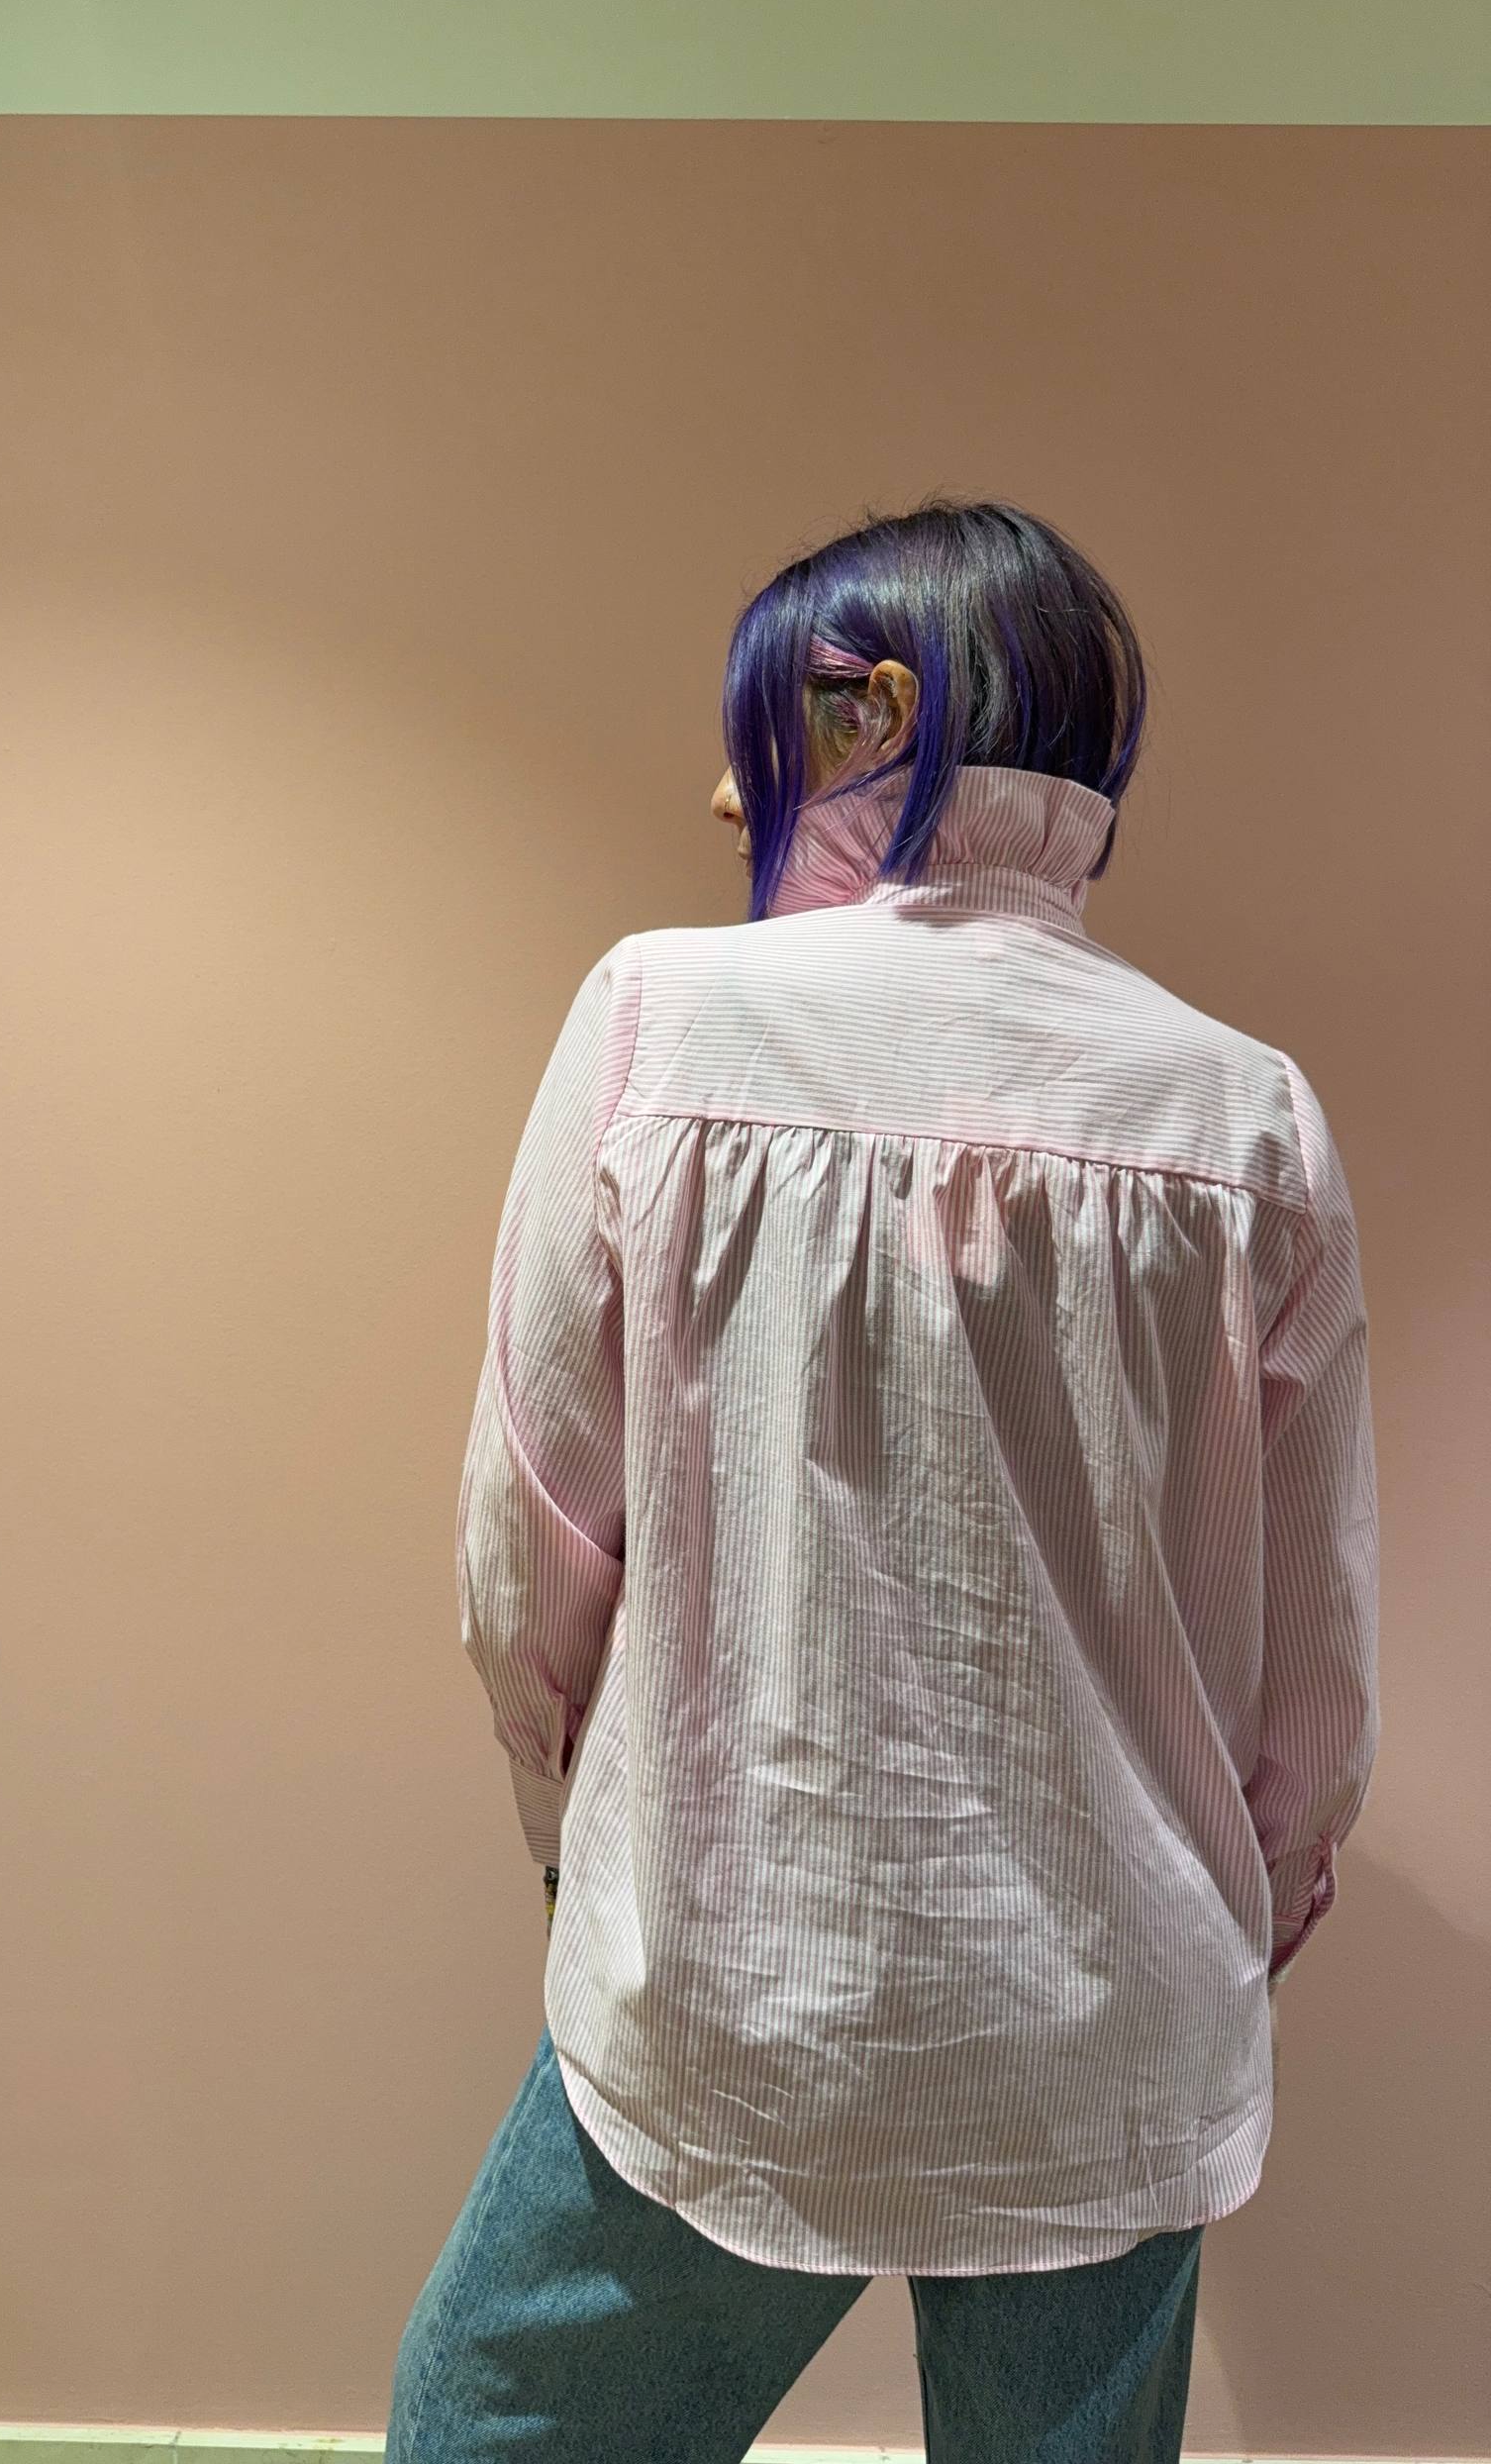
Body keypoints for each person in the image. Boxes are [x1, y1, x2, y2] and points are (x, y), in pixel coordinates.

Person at [388, 495, 1379, 2463]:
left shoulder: (661, 1020)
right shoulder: (1245, 1111)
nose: (724, 789)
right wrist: (1238, 1913)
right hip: (1114, 2015)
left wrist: (585, 1842)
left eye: (760, 731)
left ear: (876, 714)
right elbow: (1312, 1661)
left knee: (493, 2422)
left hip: (740, 1968)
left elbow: (531, 1544)